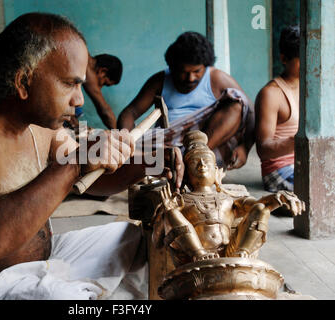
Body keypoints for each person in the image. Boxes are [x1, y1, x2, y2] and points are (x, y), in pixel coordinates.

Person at [0, 13, 183, 300]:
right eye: (70, 84)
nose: (79, 100)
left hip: (40, 262)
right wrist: (76, 163)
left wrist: (152, 162)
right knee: (59, 298)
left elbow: (96, 180)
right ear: (23, 81)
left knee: (145, 242)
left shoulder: (41, 125)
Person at [152, 131, 304, 266]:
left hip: (231, 253)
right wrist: (165, 212)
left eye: (207, 162)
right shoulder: (181, 200)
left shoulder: (227, 199)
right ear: (185, 174)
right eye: (194, 162)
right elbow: (156, 241)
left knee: (260, 209)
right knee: (172, 213)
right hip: (196, 258)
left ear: (217, 172)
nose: (202, 165)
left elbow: (260, 205)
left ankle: (242, 253)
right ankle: (199, 253)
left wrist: (279, 197)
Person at [117, 31, 255, 170]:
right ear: (173, 67)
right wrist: (127, 142)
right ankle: (181, 163)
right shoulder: (160, 81)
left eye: (197, 71)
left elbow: (250, 112)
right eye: (184, 72)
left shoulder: (217, 78)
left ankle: (191, 159)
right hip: (167, 146)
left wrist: (245, 148)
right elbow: (130, 112)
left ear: (206, 66)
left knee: (237, 105)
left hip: (207, 147)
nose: (190, 78)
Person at [255, 25, 300, 192]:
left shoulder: (316, 87)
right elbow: (263, 150)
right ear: (284, 58)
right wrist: (298, 141)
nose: (311, 62)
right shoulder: (271, 94)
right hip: (280, 170)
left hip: (311, 164)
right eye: (302, 58)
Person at [66, 53, 122, 130]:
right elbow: (105, 111)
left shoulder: (82, 53)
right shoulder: (87, 68)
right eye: (104, 83)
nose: (100, 88)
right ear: (102, 72)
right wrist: (118, 134)